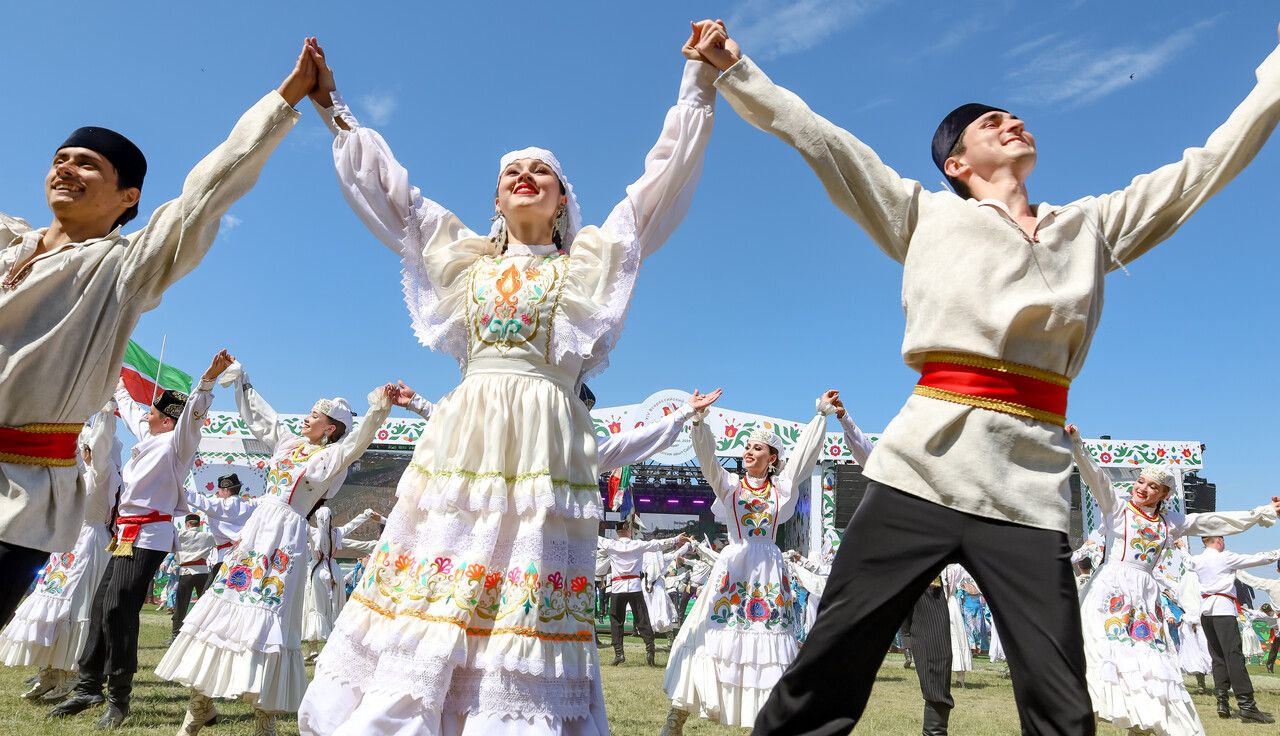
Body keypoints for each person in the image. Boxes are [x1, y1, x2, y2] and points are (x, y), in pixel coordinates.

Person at [687, 18, 1280, 735]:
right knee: (828, 668)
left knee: (1062, 701)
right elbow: (824, 141)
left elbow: (1205, 168)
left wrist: (1274, 77)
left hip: (1028, 488)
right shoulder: (924, 215)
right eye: (988, 123)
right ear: (956, 165)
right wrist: (738, 70)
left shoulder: (1088, 227)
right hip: (919, 469)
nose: (1010, 121)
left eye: (1012, 115)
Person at [296, 22, 717, 734]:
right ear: (496, 200)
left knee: (527, 581)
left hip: (546, 441)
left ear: (561, 200)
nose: (524, 175)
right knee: (445, 567)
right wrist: (335, 113)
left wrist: (697, 86)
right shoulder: (464, 261)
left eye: (541, 172)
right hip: (468, 433)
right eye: (510, 172)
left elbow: (656, 187)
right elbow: (396, 199)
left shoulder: (589, 263)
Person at [0, 44, 313, 624]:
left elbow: (207, 193)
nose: (66, 167)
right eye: (60, 157)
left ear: (129, 198)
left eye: (88, 163)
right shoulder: (8, 243)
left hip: (19, 492)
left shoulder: (120, 268)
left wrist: (283, 100)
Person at [156, 356, 394, 736]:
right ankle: (199, 705)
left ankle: (263, 722)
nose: (308, 418)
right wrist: (241, 382)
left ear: (330, 427)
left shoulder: (332, 458)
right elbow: (261, 416)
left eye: (315, 415)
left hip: (286, 538)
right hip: (256, 534)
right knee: (223, 611)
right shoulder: (287, 443)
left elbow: (357, 442)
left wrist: (378, 411)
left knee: (271, 623)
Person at [48, 351, 230, 729]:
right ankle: (87, 685)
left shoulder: (177, 445)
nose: (145, 413)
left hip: (150, 533)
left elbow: (192, 417)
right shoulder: (150, 435)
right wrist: (115, 381)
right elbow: (130, 407)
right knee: (101, 606)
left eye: (154, 411)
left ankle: (119, 696)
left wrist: (207, 381)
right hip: (125, 533)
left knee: (119, 608)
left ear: (167, 420)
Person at [1071, 424, 1280, 732]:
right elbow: (1096, 478)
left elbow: (1214, 520)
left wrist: (1262, 511)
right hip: (1109, 592)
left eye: (1152, 486)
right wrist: (1077, 444)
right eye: (1141, 481)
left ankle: (1140, 727)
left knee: (1150, 671)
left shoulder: (1172, 523)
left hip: (1144, 600)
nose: (1142, 488)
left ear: (1165, 493)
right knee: (1097, 661)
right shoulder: (1117, 509)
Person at [661, 391, 835, 735]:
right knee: (709, 635)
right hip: (734, 568)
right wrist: (699, 421)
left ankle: (767, 722)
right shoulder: (728, 485)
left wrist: (820, 417)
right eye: (747, 447)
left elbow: (802, 457)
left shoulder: (782, 489)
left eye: (757, 448)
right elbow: (707, 456)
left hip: (767, 571)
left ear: (772, 458)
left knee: (767, 647)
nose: (748, 452)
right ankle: (676, 717)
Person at [0, 402, 117, 701]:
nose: (81, 452)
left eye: (84, 448)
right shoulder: (77, 472)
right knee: (47, 605)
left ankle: (68, 674)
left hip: (90, 543)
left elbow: (102, 444)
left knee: (75, 608)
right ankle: (48, 673)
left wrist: (106, 412)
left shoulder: (101, 475)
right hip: (68, 545)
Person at [1193, 535, 1280, 722]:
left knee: (1217, 658)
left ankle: (1222, 701)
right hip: (1223, 608)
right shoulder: (1225, 557)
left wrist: (1181, 548)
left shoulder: (1197, 559)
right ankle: (1247, 706)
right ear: (1218, 540)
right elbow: (1259, 558)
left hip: (1206, 611)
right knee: (1234, 656)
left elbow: (1186, 559)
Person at [600, 522, 691, 666]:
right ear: (628, 531)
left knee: (616, 621)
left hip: (618, 588)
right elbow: (658, 544)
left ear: (618, 533)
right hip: (635, 587)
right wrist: (676, 539)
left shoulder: (610, 544)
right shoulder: (638, 545)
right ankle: (650, 650)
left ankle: (619, 653)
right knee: (643, 619)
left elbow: (594, 539)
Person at [301, 506, 382, 660]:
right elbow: (352, 524)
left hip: (317, 573)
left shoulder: (313, 532)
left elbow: (299, 522)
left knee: (316, 607)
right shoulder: (337, 533)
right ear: (331, 518)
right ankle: (328, 647)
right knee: (333, 607)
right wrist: (365, 514)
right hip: (334, 572)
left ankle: (313, 649)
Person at [185, 473, 255, 581]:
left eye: (220, 490)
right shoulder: (250, 505)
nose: (218, 493)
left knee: (211, 592)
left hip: (224, 557)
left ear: (226, 490)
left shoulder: (218, 505)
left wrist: (177, 485)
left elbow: (196, 499)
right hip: (245, 555)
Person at [171, 514, 216, 642]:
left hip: (186, 573)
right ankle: (203, 634)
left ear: (187, 524)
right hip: (203, 573)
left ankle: (175, 635)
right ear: (199, 524)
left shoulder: (180, 535)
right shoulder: (207, 536)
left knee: (181, 606)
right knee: (204, 605)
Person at [1234, 570, 1280, 672]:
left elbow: (1254, 581)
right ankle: (1270, 663)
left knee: (1276, 643)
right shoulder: (1272, 585)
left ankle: (1269, 663)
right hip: (1276, 625)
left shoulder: (1271, 584)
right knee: (1276, 643)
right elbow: (1254, 612)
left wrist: (1239, 571)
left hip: (1276, 623)